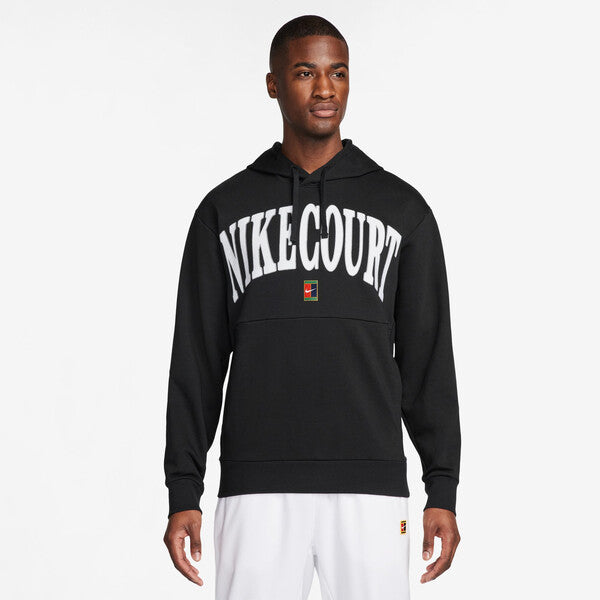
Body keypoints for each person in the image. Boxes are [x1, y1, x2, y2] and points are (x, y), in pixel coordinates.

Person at [163, 14, 461, 600]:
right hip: (256, 488)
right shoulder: (224, 211)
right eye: (305, 73)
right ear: (273, 83)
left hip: (372, 487)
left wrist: (442, 488)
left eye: (338, 73)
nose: (325, 89)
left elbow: (428, 361)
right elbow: (195, 361)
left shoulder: (403, 210)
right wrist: (183, 491)